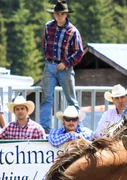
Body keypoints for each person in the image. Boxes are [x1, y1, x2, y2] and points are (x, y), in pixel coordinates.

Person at [40, 0, 84, 134]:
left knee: (71, 99)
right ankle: (45, 130)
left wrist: (66, 63)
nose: (59, 16)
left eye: (61, 14)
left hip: (65, 68)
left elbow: (79, 52)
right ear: (54, 14)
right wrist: (48, 59)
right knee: (46, 99)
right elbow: (44, 44)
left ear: (66, 14)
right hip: (50, 65)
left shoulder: (73, 31)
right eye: (57, 14)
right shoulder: (48, 27)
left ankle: (76, 128)